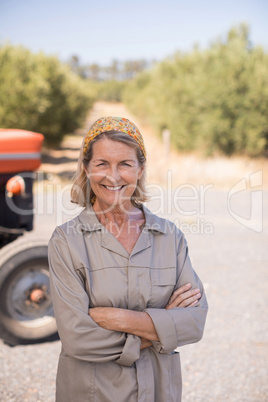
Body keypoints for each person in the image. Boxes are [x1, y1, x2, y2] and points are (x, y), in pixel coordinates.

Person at [48, 116, 208, 402]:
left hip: (160, 391)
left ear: (140, 169)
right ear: (86, 169)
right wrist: (160, 328)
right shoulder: (67, 241)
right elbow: (78, 338)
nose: (113, 176)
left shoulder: (169, 237)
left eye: (125, 164)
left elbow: (194, 322)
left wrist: (117, 318)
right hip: (91, 393)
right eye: (101, 164)